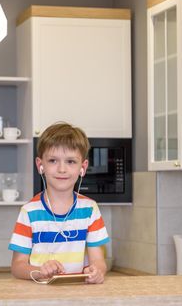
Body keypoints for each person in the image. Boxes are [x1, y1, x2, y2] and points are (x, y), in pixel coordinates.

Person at [8, 122, 109, 284]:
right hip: (38, 295)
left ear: (82, 167)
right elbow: (18, 266)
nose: (62, 169)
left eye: (70, 162)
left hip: (78, 293)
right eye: (53, 160)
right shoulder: (29, 211)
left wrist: (97, 271)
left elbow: (98, 260)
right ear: (41, 165)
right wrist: (40, 271)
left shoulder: (90, 209)